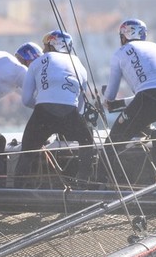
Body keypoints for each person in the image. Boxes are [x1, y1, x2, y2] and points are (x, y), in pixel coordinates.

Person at [14, 30, 95, 187]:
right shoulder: (79, 65)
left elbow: (25, 100)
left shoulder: (37, 62)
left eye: (45, 47)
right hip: (70, 113)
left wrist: (40, 104)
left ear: (52, 45)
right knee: (87, 140)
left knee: (27, 152)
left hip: (42, 113)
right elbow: (80, 103)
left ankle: (17, 191)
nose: (43, 51)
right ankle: (83, 182)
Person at [104, 18, 156, 144]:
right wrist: (121, 103)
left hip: (145, 102)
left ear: (123, 37)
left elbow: (110, 95)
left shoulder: (119, 53)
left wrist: (106, 101)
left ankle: (111, 161)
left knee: (113, 142)